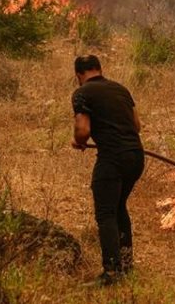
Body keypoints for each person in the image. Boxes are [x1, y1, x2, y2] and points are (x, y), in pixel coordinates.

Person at [70, 55, 144, 286]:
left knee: (106, 214)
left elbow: (83, 129)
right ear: (100, 69)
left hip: (112, 159)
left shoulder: (82, 93)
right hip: (135, 156)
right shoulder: (120, 89)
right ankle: (126, 263)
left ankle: (112, 272)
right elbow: (137, 126)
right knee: (119, 207)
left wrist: (79, 140)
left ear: (79, 75)